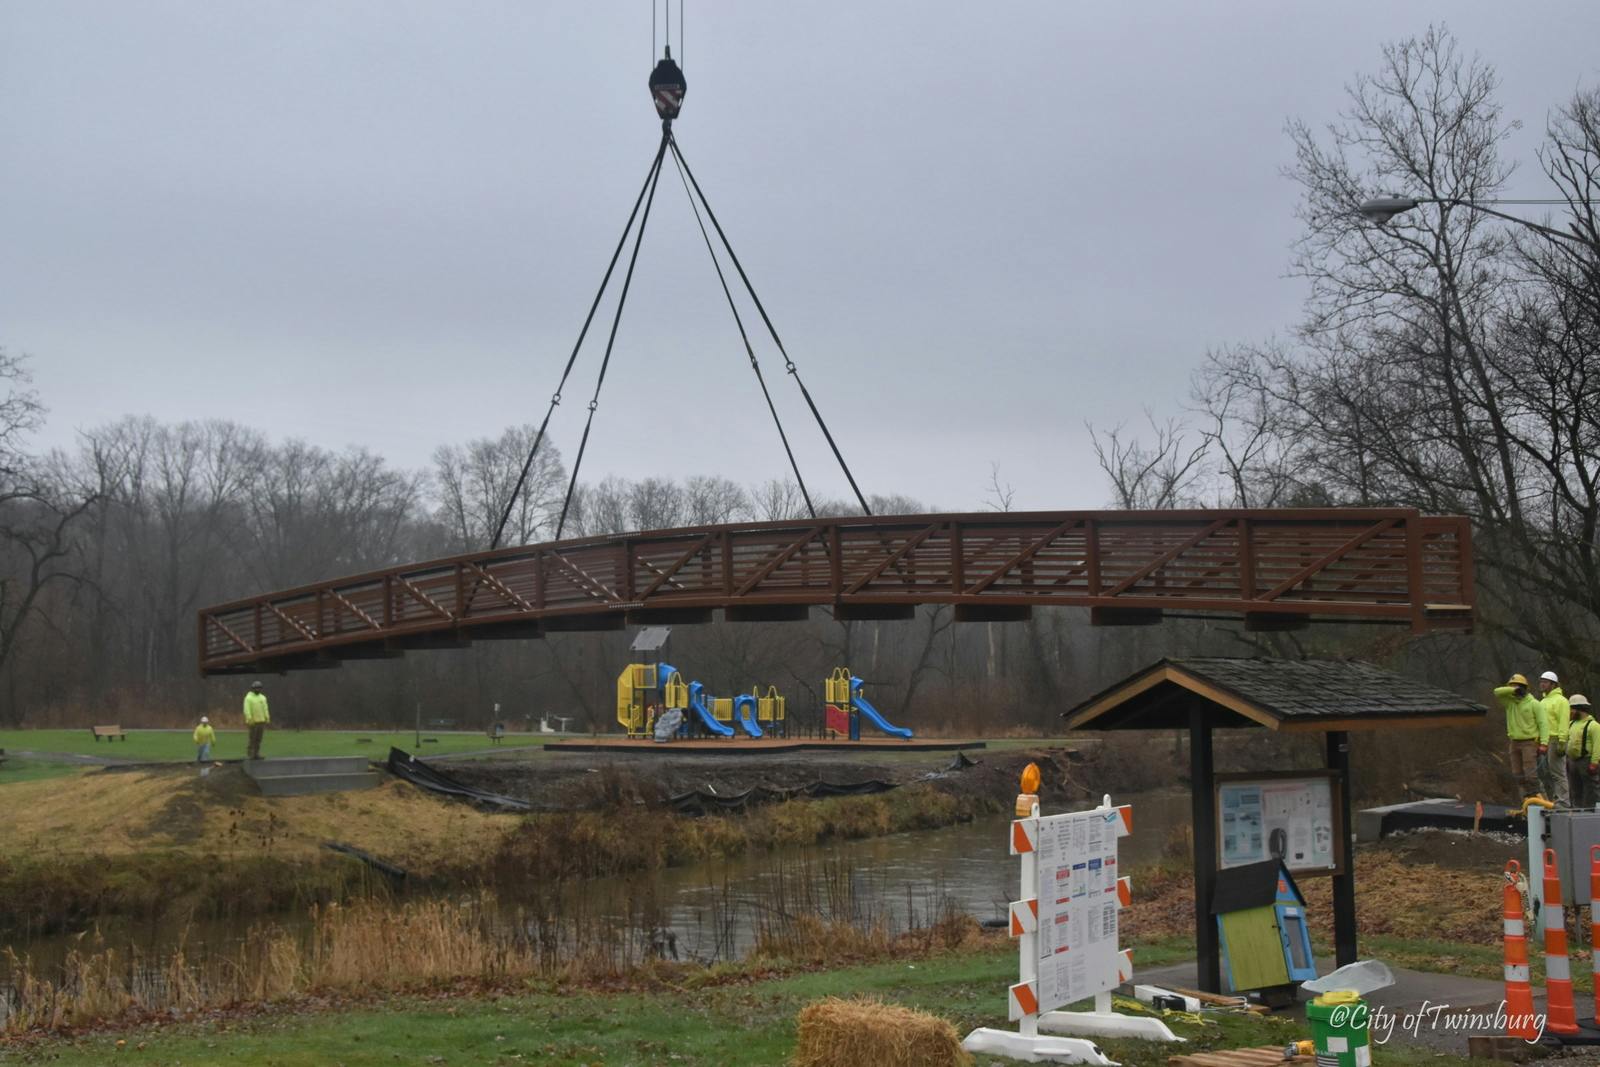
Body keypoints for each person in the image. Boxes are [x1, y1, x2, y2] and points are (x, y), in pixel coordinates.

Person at [1494, 673, 1541, 798]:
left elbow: (1543, 724)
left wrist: (1544, 743)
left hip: (1529, 742)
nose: (1515, 690)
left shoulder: (1534, 703)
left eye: (1517, 687)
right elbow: (1497, 691)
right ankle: (1525, 802)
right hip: (1514, 742)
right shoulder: (1510, 703)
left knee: (1531, 775)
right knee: (1518, 775)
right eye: (1511, 687)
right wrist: (1513, 689)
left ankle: (1541, 802)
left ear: (1524, 688)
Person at [1537, 670, 1572, 805]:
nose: (1542, 684)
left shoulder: (1561, 701)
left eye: (1545, 682)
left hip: (1556, 739)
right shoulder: (1543, 701)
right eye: (1541, 682)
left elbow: (1563, 721)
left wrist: (1562, 741)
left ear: (1553, 684)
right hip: (1544, 740)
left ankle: (1563, 802)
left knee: (1558, 773)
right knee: (1546, 773)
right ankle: (1551, 800)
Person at [1565, 694, 1599, 810]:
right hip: (1572, 761)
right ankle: (1576, 812)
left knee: (1590, 790)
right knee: (1575, 790)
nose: (1570, 712)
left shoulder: (1593, 726)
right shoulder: (1571, 724)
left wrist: (1594, 763)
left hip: (1587, 761)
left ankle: (1590, 813)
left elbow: (1597, 746)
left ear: (1579, 708)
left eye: (1572, 709)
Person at [243, 681, 270, 759]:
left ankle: (256, 754)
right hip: (253, 722)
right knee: (252, 739)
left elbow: (265, 708)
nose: (258, 689)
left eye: (259, 688)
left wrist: (267, 717)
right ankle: (250, 754)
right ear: (253, 688)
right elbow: (246, 709)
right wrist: (249, 718)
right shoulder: (248, 698)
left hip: (261, 721)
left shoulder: (263, 698)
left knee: (259, 739)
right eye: (256, 688)